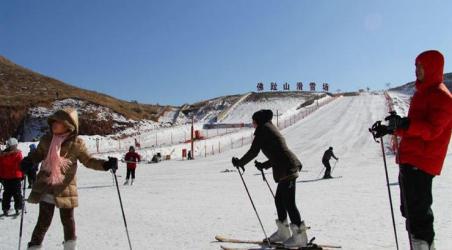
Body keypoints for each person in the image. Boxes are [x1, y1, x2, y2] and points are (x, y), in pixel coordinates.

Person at [373, 50, 452, 250]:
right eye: (416, 66)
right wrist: (392, 128)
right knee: (409, 210)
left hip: (423, 161)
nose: (417, 70)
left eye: (421, 66)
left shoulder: (442, 97)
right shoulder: (421, 95)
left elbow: (432, 131)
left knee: (419, 212)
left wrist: (406, 125)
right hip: (410, 158)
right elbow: (414, 127)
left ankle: (424, 246)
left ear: (433, 68)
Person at [20, 108, 118, 250]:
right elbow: (38, 154)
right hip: (47, 186)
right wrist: (29, 160)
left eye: (58, 122)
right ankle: (34, 247)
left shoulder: (76, 144)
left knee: (68, 221)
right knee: (43, 222)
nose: (54, 124)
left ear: (68, 124)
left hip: (66, 189)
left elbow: (88, 160)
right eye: (53, 121)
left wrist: (105, 164)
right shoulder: (46, 140)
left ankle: (70, 248)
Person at [231, 109, 307, 248]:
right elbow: (276, 153)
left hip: (288, 168)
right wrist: (263, 165)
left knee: (289, 203)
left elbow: (254, 151)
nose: (252, 124)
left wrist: (240, 163)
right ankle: (283, 233)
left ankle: (300, 237)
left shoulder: (263, 129)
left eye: (253, 121)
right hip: (285, 168)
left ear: (258, 121)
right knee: (279, 200)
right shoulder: (268, 128)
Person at [0, 137, 24, 216]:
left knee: (7, 193)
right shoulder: (18, 154)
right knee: (17, 193)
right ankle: (18, 207)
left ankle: (5, 208)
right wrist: (23, 173)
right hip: (16, 176)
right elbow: (21, 165)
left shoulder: (3, 155)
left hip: (5, 177)